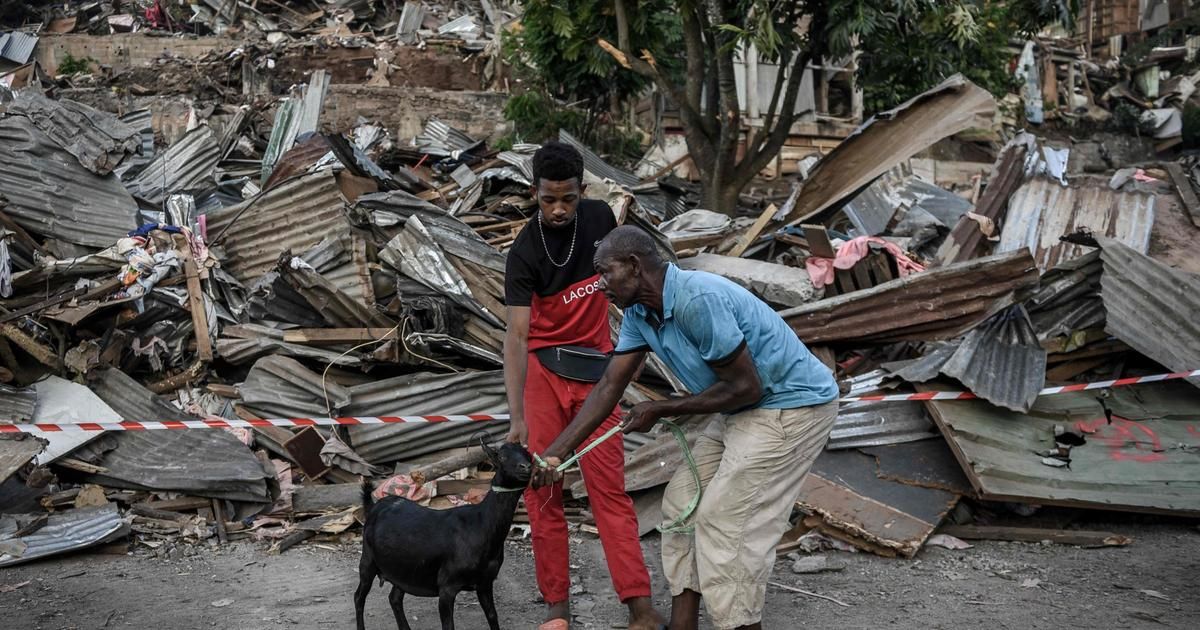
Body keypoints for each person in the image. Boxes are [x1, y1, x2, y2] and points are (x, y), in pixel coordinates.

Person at [533, 226, 840, 630]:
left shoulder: (697, 298)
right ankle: (683, 624)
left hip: (792, 408)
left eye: (605, 273)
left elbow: (747, 387)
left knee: (726, 523)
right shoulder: (639, 313)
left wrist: (662, 408)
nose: (599, 284)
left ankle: (741, 624)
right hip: (742, 410)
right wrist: (557, 452)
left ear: (634, 266)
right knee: (681, 506)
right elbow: (610, 384)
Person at [503, 142, 664, 630]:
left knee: (608, 492)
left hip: (597, 373)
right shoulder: (525, 251)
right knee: (543, 491)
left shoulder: (600, 222)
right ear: (534, 192)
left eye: (567, 199)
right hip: (543, 375)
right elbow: (516, 336)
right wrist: (517, 418)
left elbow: (634, 288)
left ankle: (638, 605)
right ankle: (557, 608)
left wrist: (633, 355)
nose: (557, 209)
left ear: (582, 192)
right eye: (548, 199)